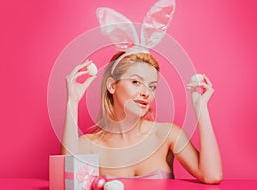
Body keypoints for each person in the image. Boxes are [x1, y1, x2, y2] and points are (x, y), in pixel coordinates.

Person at [61, 51, 223, 184]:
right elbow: (65, 184)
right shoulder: (88, 145)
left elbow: (212, 176)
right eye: (136, 82)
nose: (146, 93)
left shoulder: (167, 135)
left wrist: (201, 108)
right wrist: (72, 102)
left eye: (152, 86)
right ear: (111, 85)